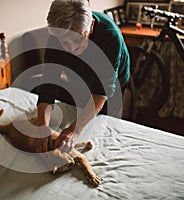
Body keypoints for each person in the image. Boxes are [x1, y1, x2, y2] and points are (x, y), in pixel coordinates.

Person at [35, 0, 130, 153]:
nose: (71, 48)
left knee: (103, 125)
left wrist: (75, 131)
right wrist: (42, 128)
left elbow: (101, 92)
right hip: (79, 74)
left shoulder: (109, 35)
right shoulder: (55, 37)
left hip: (113, 80)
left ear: (91, 26)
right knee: (81, 104)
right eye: (64, 42)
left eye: (78, 39)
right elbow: (48, 87)